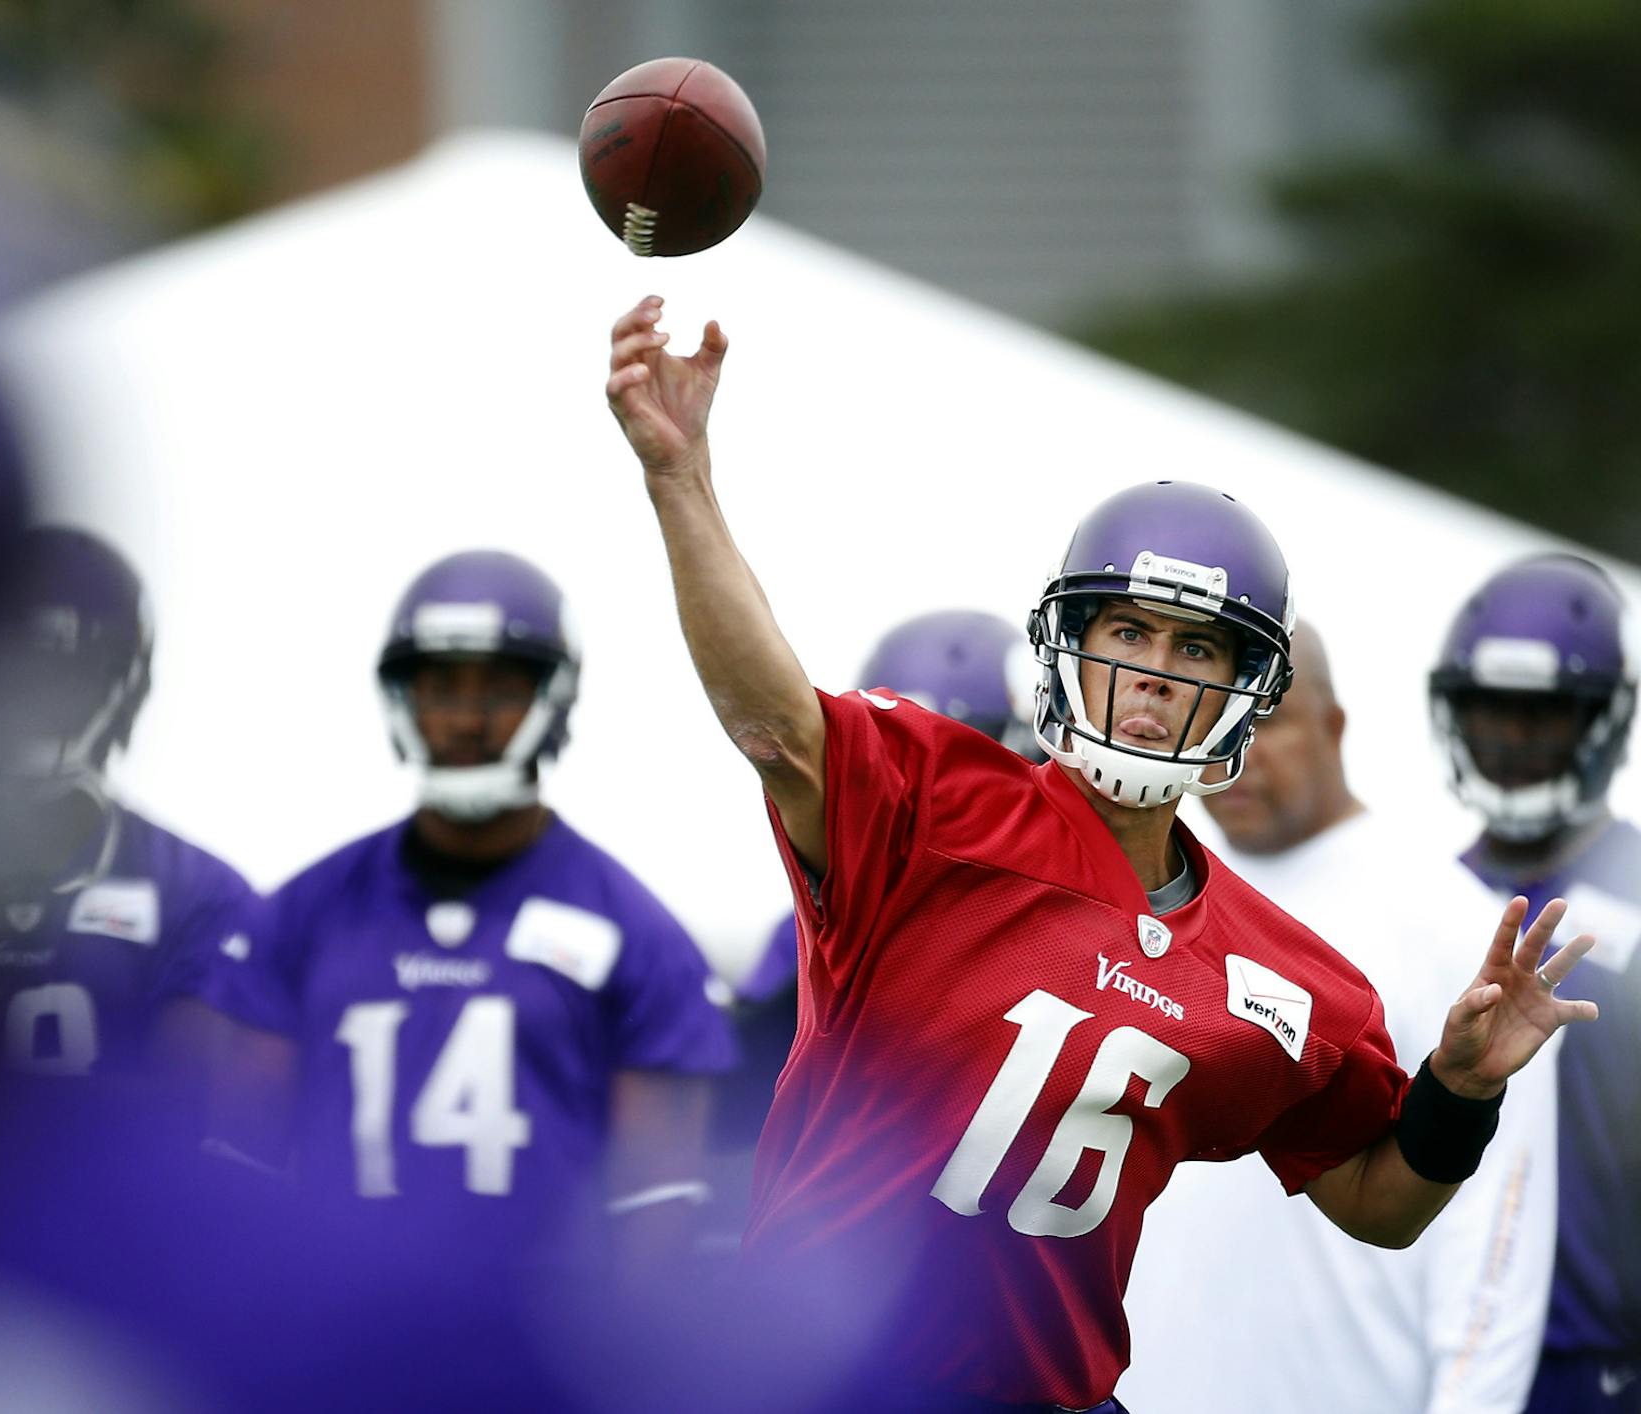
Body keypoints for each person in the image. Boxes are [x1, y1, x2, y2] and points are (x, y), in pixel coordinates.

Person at [602, 293, 1596, 1411]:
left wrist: (1460, 1090)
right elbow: (775, 722)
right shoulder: (936, 807)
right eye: (1128, 630)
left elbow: (1380, 1201)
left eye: (1197, 649)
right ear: (1069, 647)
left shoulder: (1285, 981)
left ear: (1248, 691)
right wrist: (679, 479)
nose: (1155, 673)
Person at [188, 550, 737, 1267]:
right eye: (442, 687)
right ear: (403, 698)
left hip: (535, 1332)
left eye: (500, 689)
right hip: (334, 1322)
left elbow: (653, 1223)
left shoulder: (639, 939)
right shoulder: (301, 915)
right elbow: (240, 1175)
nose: (468, 721)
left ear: (554, 697)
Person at [1121, 622, 1557, 1414]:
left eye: (1270, 720)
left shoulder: (1452, 920)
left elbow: (1499, 1227)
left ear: (1335, 725)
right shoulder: (1147, 888)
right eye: (1221, 713)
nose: (1240, 748)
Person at [1432, 554, 1641, 1414]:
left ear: (1600, 721)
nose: (1513, 739)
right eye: (1492, 709)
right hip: (1435, 1339)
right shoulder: (1419, 896)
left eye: (1542, 714)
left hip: (1590, 1359)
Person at [718, 610, 1043, 1151]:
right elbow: (738, 1099)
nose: (922, 799)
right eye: (894, 765)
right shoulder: (814, 923)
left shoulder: (1068, 925)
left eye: (953, 772)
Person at [0, 526, 253, 1080]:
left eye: (65, 674)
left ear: (124, 688)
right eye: (16, 673)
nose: (37, 702)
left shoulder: (195, 895)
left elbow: (204, 1111)